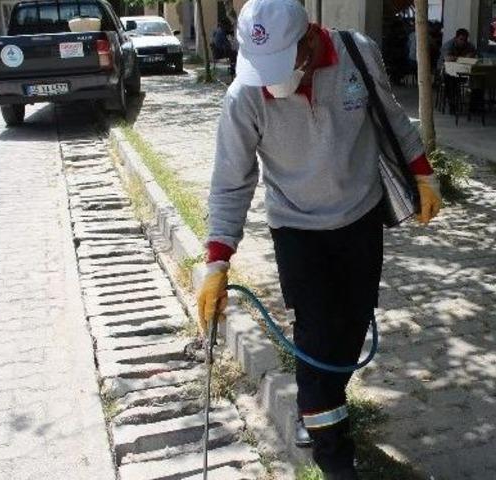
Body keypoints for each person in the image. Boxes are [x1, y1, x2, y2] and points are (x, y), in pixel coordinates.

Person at [196, 0, 442, 478]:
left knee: (349, 329)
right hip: (296, 229)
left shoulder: (357, 52)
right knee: (315, 333)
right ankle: (333, 454)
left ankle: (323, 405)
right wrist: (217, 258)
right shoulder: (244, 95)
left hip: (360, 218)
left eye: (281, 63)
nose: (272, 80)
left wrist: (423, 172)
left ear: (310, 38)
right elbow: (231, 180)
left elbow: (391, 116)